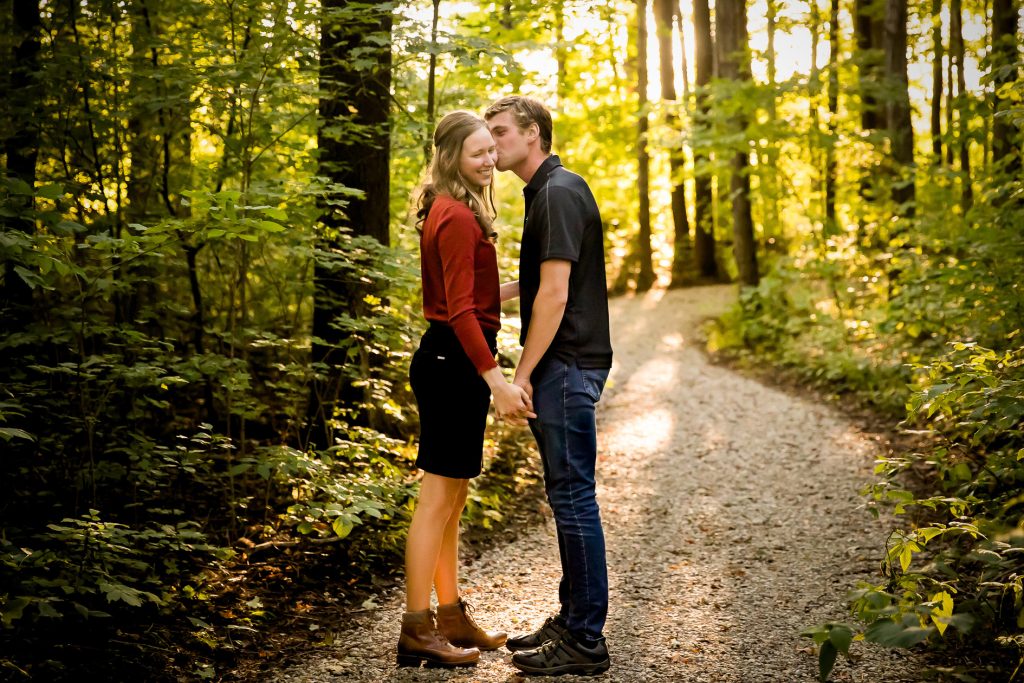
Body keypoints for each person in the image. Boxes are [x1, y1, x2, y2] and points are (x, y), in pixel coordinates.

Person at [396, 111, 534, 669]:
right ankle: (415, 628)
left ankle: (449, 615)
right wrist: (496, 380)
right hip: (452, 362)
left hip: (453, 358)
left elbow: (473, 297)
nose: (489, 160)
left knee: (452, 500)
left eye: (491, 150)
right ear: (452, 157)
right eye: (477, 152)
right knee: (436, 501)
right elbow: (458, 313)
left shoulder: (456, 210)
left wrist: (530, 283)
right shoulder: (453, 215)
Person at [485, 96, 614, 676]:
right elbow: (540, 282)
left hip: (564, 364)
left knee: (572, 496)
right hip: (566, 364)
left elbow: (556, 296)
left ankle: (586, 639)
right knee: (568, 496)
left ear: (534, 133)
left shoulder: (558, 193)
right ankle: (572, 618)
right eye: (487, 134)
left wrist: (521, 372)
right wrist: (485, 294)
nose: (492, 143)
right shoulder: (548, 191)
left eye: (502, 132)